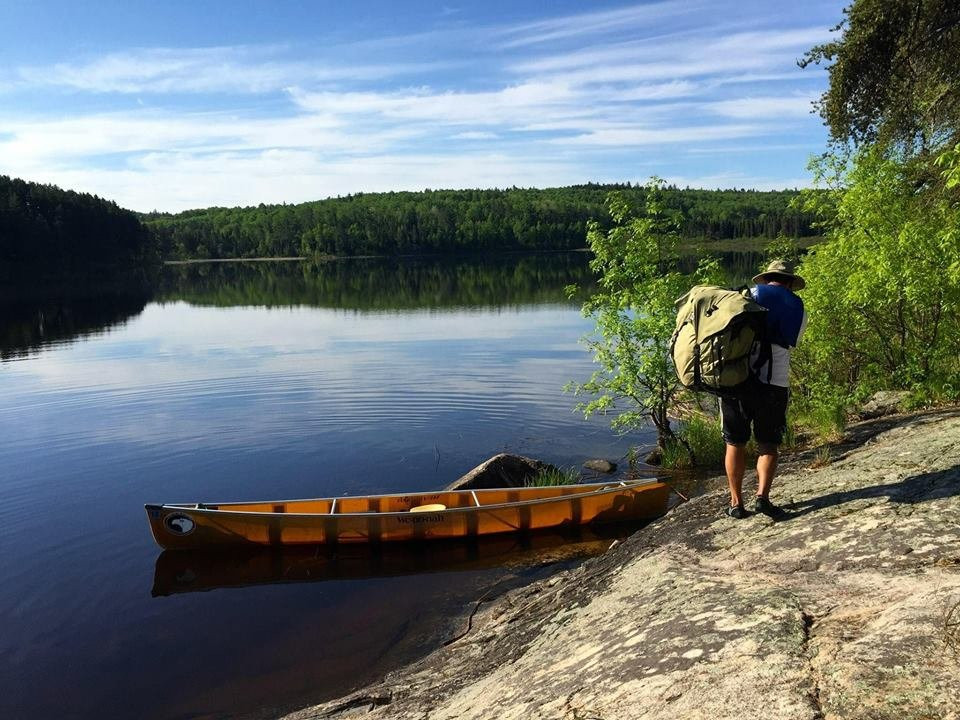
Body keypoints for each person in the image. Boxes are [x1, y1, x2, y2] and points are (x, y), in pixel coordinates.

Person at [721, 260, 807, 519]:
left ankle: (736, 504)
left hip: (736, 380)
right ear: (790, 282)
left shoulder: (746, 295)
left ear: (767, 277)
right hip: (774, 383)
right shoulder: (797, 305)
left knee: (735, 442)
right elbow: (794, 342)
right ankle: (762, 498)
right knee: (768, 444)